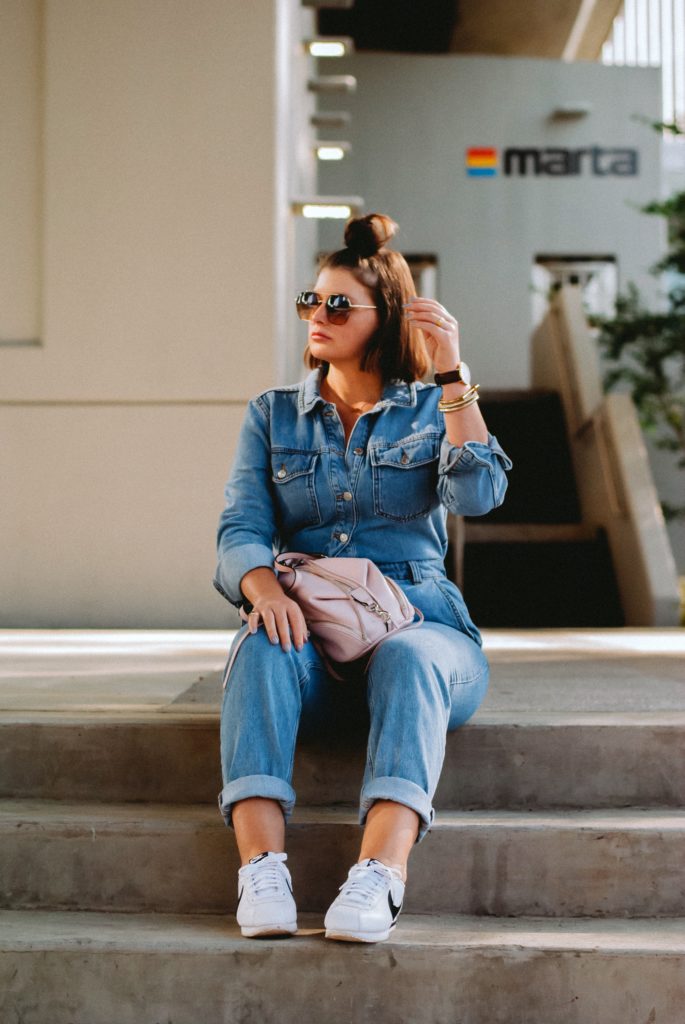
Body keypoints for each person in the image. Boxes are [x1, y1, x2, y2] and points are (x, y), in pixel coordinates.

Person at [213, 213, 512, 943]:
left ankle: (379, 876)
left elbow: (478, 495)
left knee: (411, 654)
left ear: (386, 319)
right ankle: (261, 869)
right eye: (310, 302)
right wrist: (265, 590)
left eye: (338, 305)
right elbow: (240, 532)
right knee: (260, 642)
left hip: (421, 623)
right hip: (311, 635)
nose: (317, 317)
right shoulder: (273, 414)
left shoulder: (430, 405)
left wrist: (450, 375)